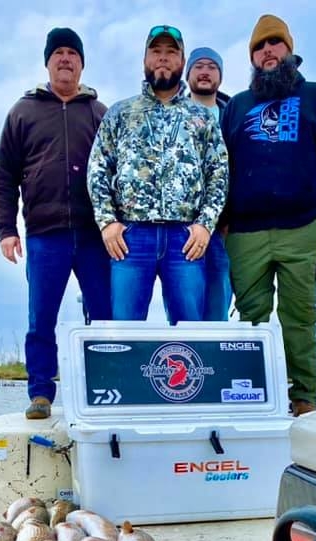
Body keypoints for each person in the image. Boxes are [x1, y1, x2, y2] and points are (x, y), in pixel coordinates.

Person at [221, 15, 316, 416]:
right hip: (245, 233)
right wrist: (224, 224)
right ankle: (253, 398)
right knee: (251, 322)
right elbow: (221, 166)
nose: (268, 51)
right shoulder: (238, 105)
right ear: (253, 58)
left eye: (275, 43)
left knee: (299, 317)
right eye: (260, 47)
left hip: (302, 228)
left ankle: (304, 399)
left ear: (289, 49)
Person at [0, 27, 111, 420]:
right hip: (45, 236)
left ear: (81, 63)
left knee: (105, 318)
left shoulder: (99, 113)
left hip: (97, 237)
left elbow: (117, 173)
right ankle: (41, 393)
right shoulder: (22, 112)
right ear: (47, 62)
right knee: (40, 317)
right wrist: (6, 230)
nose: (65, 59)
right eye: (57, 52)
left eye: (72, 53)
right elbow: (4, 175)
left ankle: (106, 387)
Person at [87, 25, 229, 324]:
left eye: (171, 52)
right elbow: (98, 167)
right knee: (124, 331)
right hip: (130, 238)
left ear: (182, 61)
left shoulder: (201, 117)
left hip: (186, 240)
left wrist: (205, 225)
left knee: (190, 334)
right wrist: (108, 223)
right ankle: (124, 373)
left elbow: (218, 172)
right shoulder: (120, 113)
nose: (163, 58)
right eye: (156, 51)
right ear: (145, 59)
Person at [185, 46, 232, 323]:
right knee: (184, 313)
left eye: (211, 67)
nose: (205, 72)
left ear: (220, 76)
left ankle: (217, 367)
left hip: (223, 233)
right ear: (188, 73)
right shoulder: (170, 114)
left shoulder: (234, 117)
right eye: (198, 66)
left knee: (217, 310)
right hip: (182, 232)